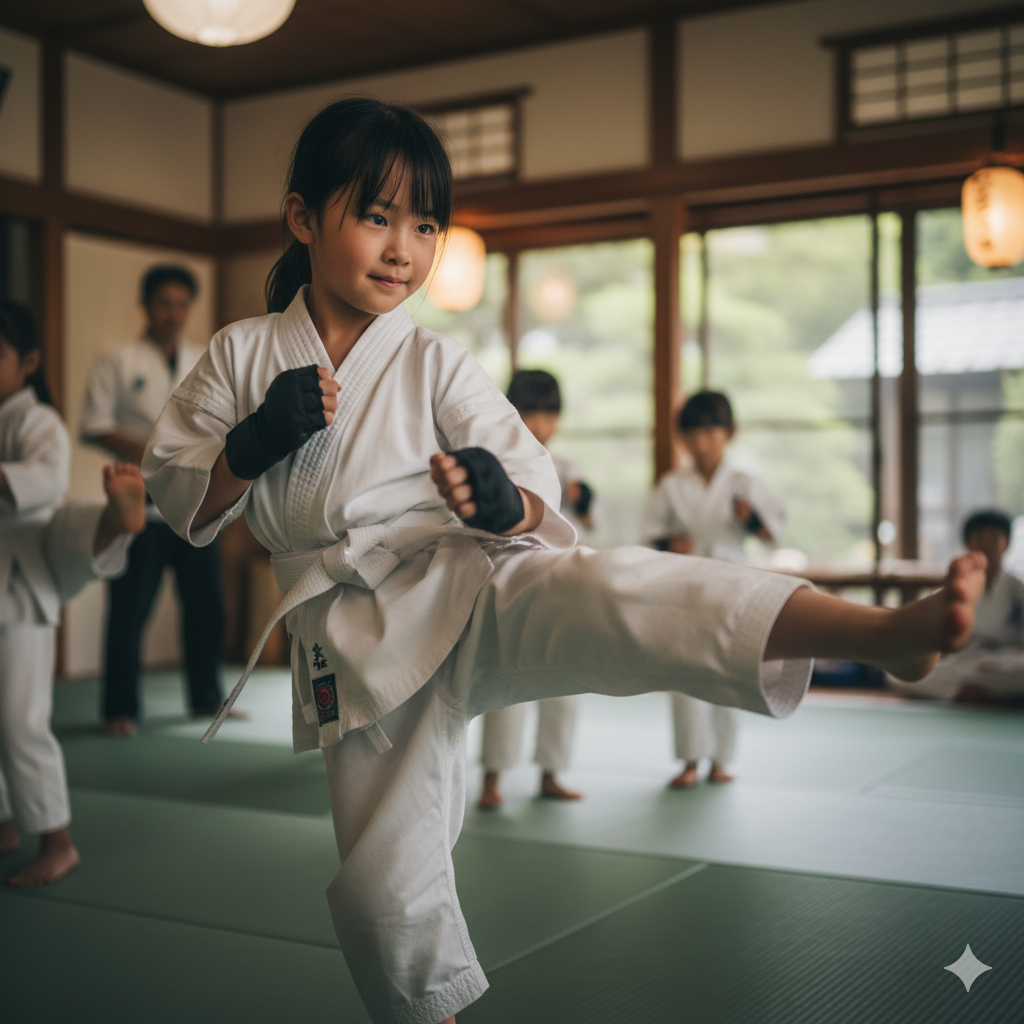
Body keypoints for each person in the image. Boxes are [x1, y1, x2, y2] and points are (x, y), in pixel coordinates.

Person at [141, 97, 986, 1024]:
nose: (404, 249)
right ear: (304, 218)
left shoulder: (435, 360)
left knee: (629, 590)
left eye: (426, 225)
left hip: (466, 578)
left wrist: (508, 503)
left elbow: (534, 484)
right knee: (384, 889)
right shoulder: (241, 354)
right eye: (376, 216)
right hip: (353, 644)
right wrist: (255, 441)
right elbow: (180, 498)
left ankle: (882, 632)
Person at [0, 299, 147, 886]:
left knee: (19, 721)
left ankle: (56, 840)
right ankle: (6, 822)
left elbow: (44, 482)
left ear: (29, 361)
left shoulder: (37, 422)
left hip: (19, 585)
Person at [80, 265, 230, 737]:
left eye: (182, 304)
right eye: (164, 302)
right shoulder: (118, 361)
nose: (173, 313)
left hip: (195, 504)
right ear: (145, 306)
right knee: (129, 609)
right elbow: (95, 424)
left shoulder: (202, 356)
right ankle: (119, 710)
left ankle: (206, 697)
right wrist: (155, 452)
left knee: (207, 606)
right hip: (139, 509)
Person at [644, 390, 785, 789]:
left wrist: (751, 518)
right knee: (685, 670)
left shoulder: (744, 483)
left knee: (729, 668)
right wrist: (670, 542)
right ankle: (690, 759)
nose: (700, 443)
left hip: (733, 581)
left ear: (729, 433)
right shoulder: (672, 485)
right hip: (685, 582)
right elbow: (648, 533)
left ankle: (721, 759)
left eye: (710, 432)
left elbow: (773, 534)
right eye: (691, 434)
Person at [477, 369, 595, 810]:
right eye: (530, 412)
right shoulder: (496, 465)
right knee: (505, 680)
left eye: (548, 414)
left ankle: (552, 772)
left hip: (563, 581)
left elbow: (585, 520)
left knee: (564, 679)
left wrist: (584, 498)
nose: (539, 423)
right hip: (512, 581)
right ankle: (492, 777)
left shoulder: (567, 469)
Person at [889, 509, 1024, 704]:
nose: (986, 545)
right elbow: (938, 639)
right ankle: (969, 691)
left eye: (994, 538)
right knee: (898, 674)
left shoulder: (1017, 588)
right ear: (967, 543)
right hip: (965, 662)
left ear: (1007, 544)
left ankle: (976, 690)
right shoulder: (957, 584)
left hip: (1005, 662)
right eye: (980, 538)